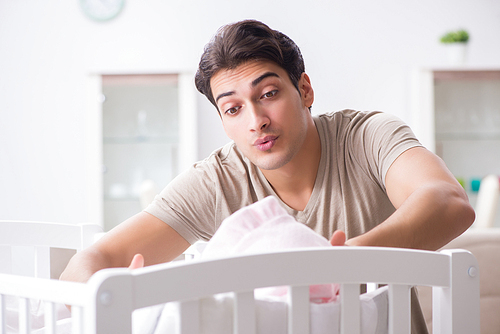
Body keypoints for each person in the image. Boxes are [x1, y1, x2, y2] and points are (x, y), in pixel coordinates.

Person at [60, 20, 475, 332]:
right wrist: (119, 299)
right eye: (234, 108)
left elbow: (449, 202)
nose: (256, 121)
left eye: (269, 94)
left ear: (305, 91)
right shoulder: (217, 180)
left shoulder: (365, 136)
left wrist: (340, 265)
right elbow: (93, 261)